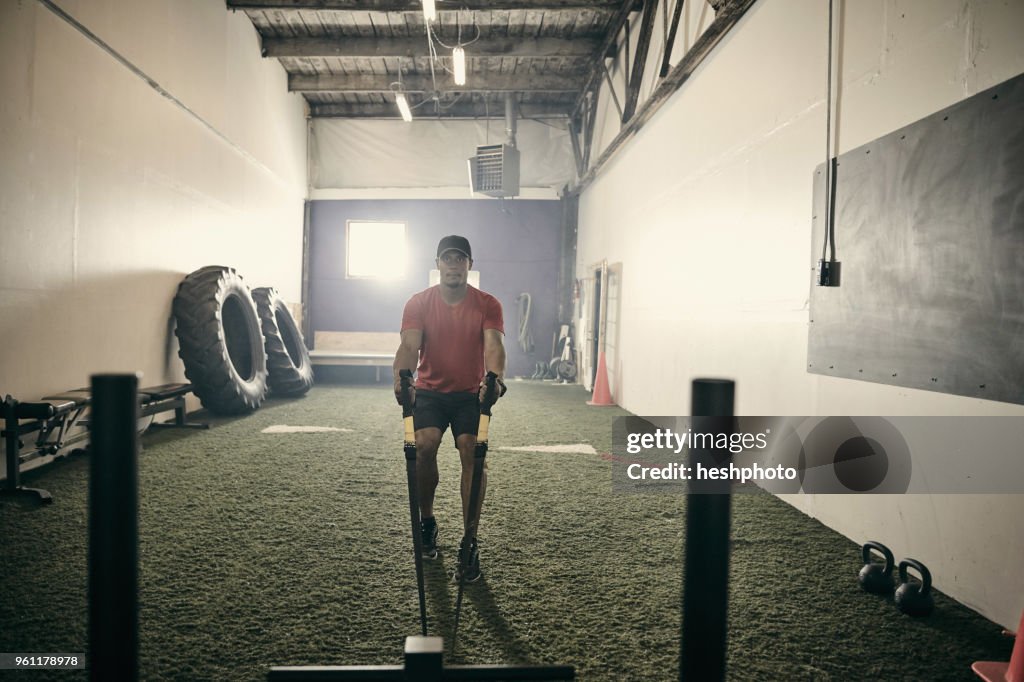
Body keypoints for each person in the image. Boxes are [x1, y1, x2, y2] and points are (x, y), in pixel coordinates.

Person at [393, 235, 506, 582]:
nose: (454, 265)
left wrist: (495, 379)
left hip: (471, 393)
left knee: (472, 452)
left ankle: (469, 540)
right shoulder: (418, 302)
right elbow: (409, 346)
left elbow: (494, 345)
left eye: (460, 259)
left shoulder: (487, 303)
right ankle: (427, 522)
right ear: (438, 264)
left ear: (469, 264)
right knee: (424, 445)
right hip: (429, 391)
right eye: (447, 259)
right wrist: (401, 378)